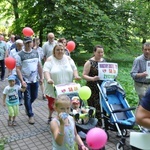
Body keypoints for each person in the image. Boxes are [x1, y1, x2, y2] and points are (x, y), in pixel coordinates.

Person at [43, 43, 81, 124]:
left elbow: (74, 69)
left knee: (66, 105)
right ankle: (50, 116)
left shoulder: (68, 59)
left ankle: (65, 120)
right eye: (57, 50)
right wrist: (49, 79)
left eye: (61, 50)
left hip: (67, 88)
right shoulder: (50, 59)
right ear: (54, 51)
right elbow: (46, 71)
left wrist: (76, 75)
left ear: (64, 50)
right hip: (54, 87)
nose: (60, 51)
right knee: (53, 105)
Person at [16, 36, 43, 125]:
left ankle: (28, 107)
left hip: (34, 79)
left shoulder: (36, 53)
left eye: (29, 42)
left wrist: (41, 77)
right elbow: (18, 69)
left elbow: (39, 66)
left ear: (32, 43)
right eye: (26, 43)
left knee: (34, 96)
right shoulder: (20, 55)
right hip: (25, 80)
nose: (28, 44)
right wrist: (21, 81)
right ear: (24, 43)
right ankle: (30, 115)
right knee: (27, 97)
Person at [82, 45, 106, 126]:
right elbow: (84, 75)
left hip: (102, 87)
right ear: (94, 52)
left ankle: (102, 122)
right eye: (98, 52)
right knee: (94, 106)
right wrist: (92, 78)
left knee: (102, 105)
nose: (100, 54)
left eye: (102, 52)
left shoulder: (104, 61)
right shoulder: (89, 62)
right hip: (92, 88)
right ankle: (94, 123)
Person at [9, 39, 24, 105]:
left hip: (24, 71)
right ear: (16, 45)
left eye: (22, 45)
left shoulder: (24, 51)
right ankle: (19, 99)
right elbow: (10, 61)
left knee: (23, 84)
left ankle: (22, 95)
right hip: (15, 70)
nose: (21, 46)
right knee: (18, 84)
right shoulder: (12, 52)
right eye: (20, 45)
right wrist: (10, 71)